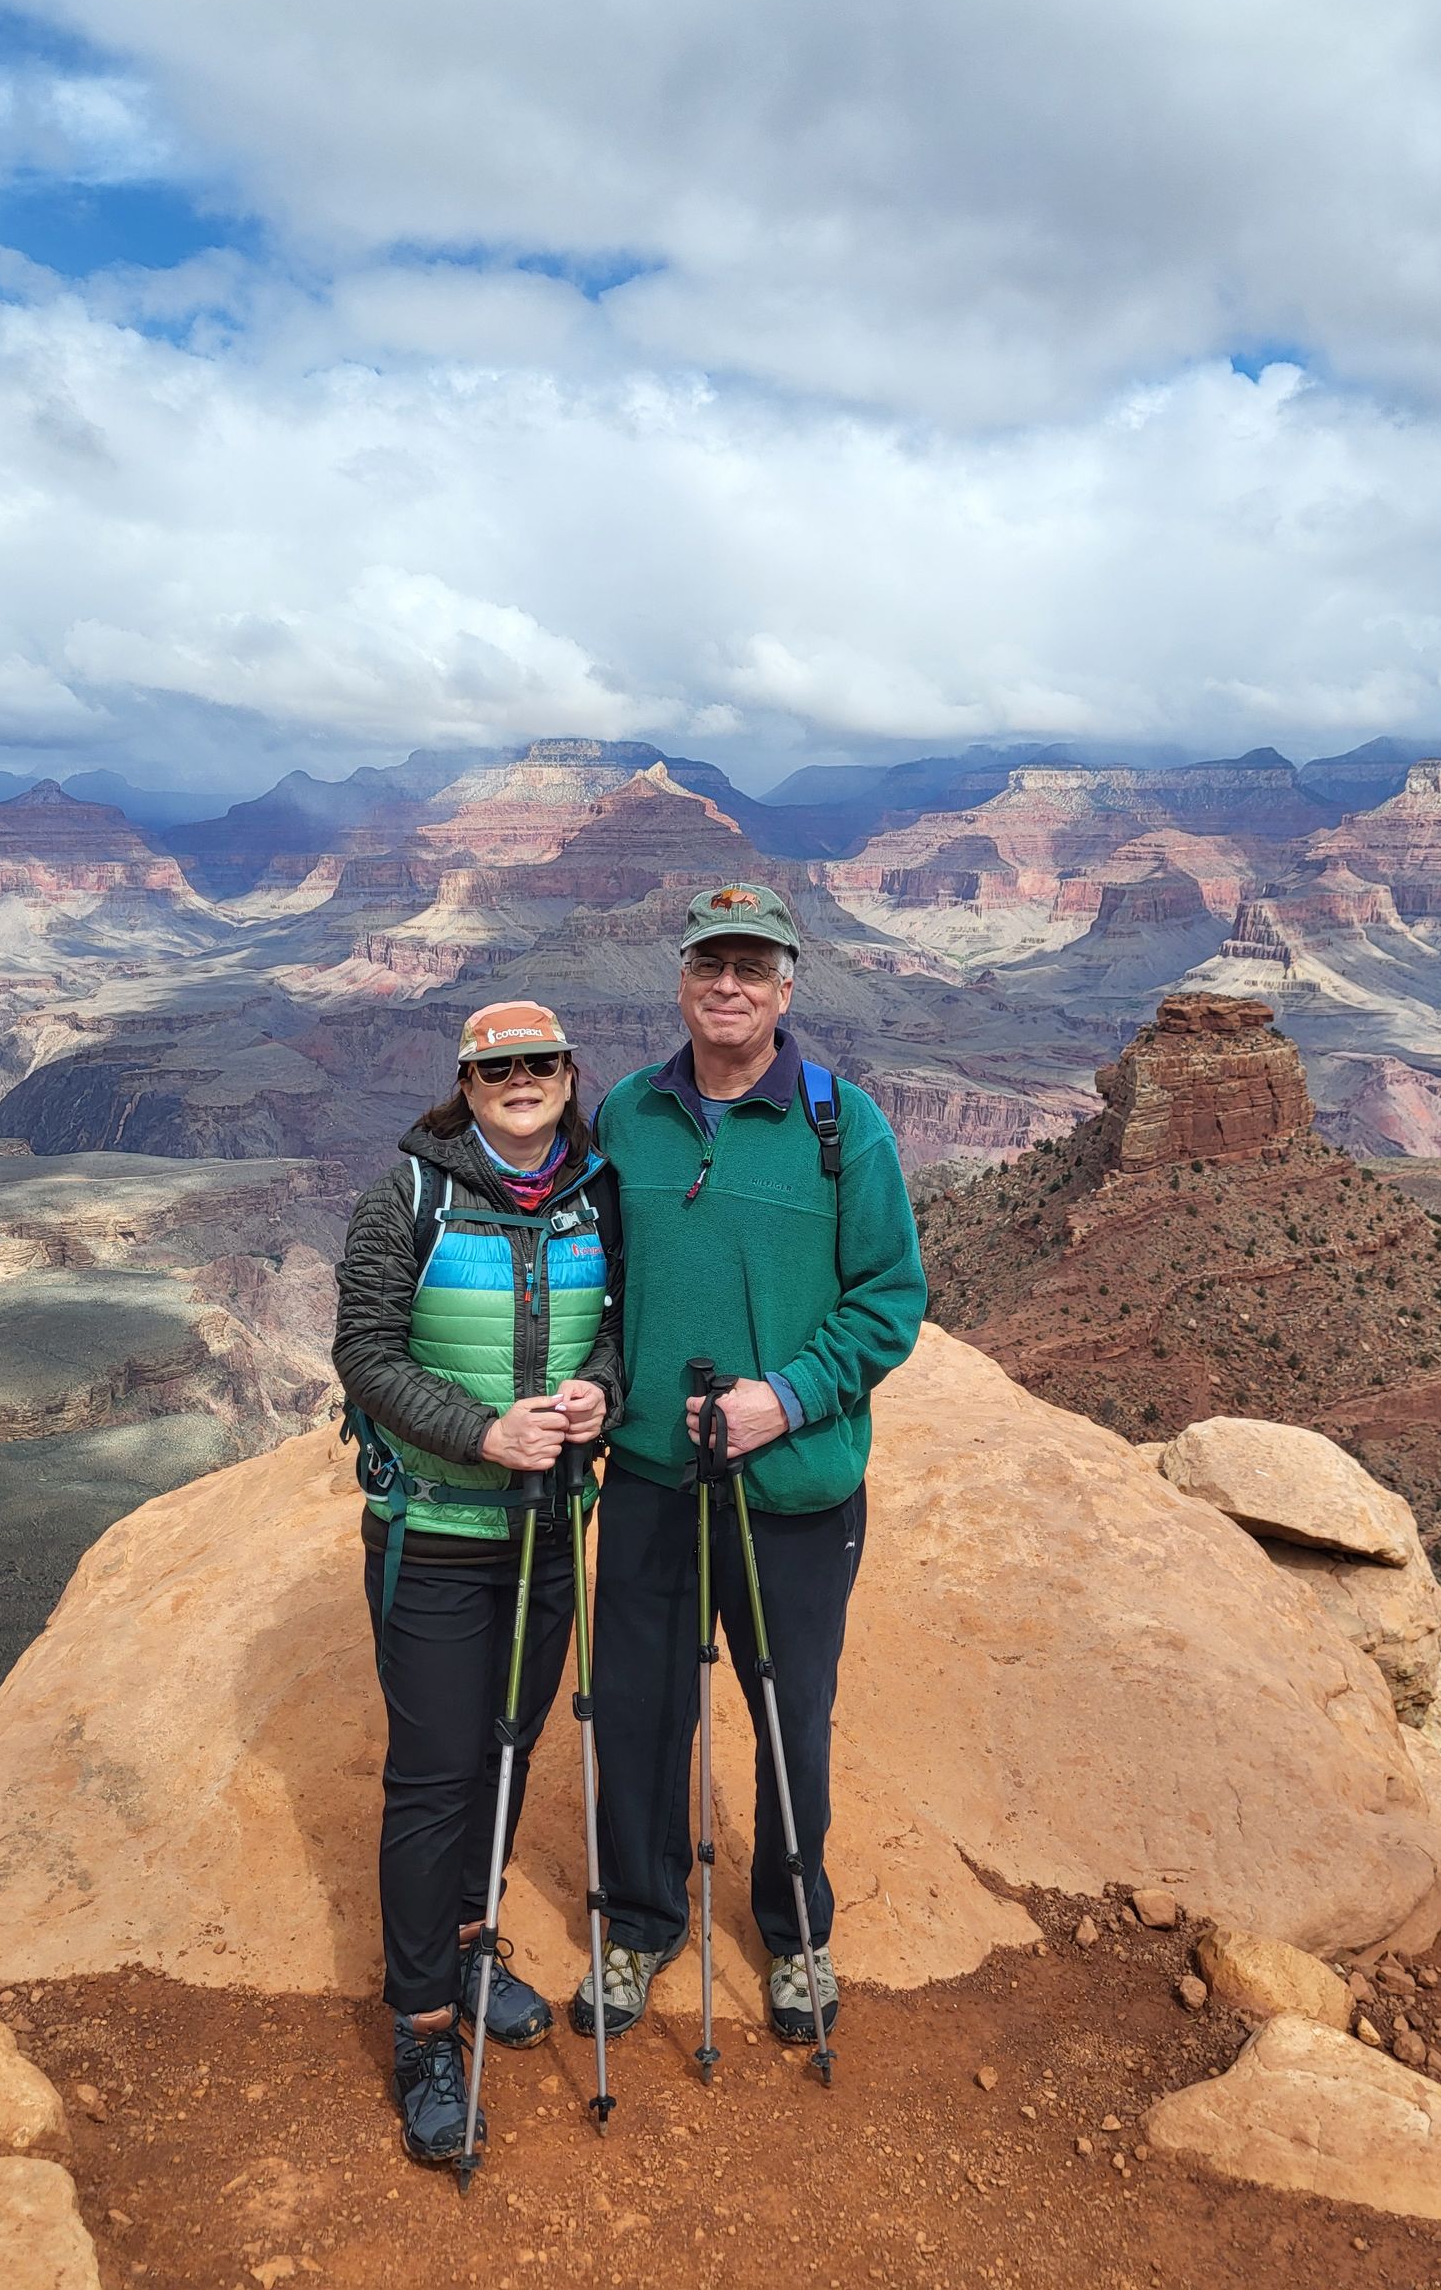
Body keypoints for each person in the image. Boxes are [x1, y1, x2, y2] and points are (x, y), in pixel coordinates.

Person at [572, 884, 925, 2048]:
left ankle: (794, 1931)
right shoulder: (626, 1113)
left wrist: (786, 1398)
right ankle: (638, 1918)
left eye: (752, 968)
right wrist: (603, 1386)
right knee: (634, 1709)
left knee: (790, 1716)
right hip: (654, 1480)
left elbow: (890, 1301)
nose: (728, 985)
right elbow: (598, 1281)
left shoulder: (843, 1124)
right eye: (709, 964)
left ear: (785, 989)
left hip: (794, 1487)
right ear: (680, 979)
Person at [334, 1000, 620, 2166]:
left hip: (549, 1530)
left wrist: (599, 1393)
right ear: (466, 1079)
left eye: (539, 1061)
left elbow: (617, 1331)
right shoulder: (407, 1192)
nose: (520, 1078)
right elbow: (364, 1347)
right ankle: (422, 2028)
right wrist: (481, 1432)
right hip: (439, 1531)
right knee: (437, 1773)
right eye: (497, 1065)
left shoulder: (595, 1192)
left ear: (566, 1070)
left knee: (509, 1745)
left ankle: (469, 1938)